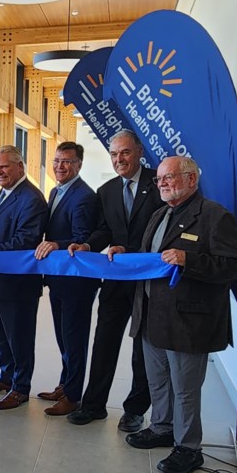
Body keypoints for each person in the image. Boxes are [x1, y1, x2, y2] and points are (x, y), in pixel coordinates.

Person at [121, 156, 237, 473]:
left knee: (185, 389)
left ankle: (189, 447)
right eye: (159, 179)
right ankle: (162, 428)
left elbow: (234, 266)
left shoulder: (214, 216)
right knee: (158, 381)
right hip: (151, 314)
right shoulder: (159, 214)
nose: (162, 183)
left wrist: (188, 260)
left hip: (188, 321)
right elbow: (150, 258)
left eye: (169, 177)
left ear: (192, 179)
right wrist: (122, 253)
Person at [66, 129, 164, 432]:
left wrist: (131, 250)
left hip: (149, 283)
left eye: (124, 152)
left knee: (141, 350)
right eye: (113, 154)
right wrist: (86, 245)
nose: (119, 159)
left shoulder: (159, 184)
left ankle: (135, 410)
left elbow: (164, 233)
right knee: (104, 343)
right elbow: (105, 229)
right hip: (115, 282)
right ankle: (93, 405)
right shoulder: (106, 190)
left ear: (138, 152)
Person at [0, 145, 47, 410]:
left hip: (17, 283)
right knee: (1, 335)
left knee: (19, 338)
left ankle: (21, 388)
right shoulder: (5, 193)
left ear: (20, 167)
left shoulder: (31, 198)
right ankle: (6, 377)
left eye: (3, 166)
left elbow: (24, 241)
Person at [33, 142, 101, 416]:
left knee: (74, 338)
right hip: (59, 277)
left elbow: (82, 239)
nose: (60, 166)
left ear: (79, 165)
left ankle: (73, 396)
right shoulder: (56, 190)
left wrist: (56, 244)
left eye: (67, 162)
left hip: (77, 282)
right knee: (63, 336)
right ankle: (65, 383)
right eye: (57, 160)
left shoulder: (84, 196)